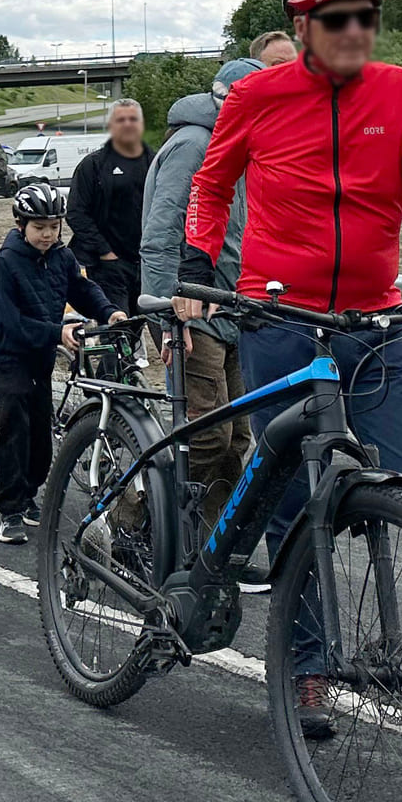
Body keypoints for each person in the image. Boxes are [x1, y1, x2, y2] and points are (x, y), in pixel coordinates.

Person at [179, 0, 402, 759]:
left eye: (368, 17)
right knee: (292, 504)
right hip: (280, 320)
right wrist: (197, 268)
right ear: (303, 26)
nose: (356, 33)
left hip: (374, 328)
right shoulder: (260, 96)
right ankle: (304, 665)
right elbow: (212, 185)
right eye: (338, 20)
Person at [142, 57, 266, 581]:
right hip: (192, 313)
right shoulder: (194, 146)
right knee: (205, 436)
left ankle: (215, 553)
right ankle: (129, 526)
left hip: (233, 308)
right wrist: (172, 317)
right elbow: (160, 235)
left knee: (238, 438)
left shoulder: (234, 145)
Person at [0, 183, 123, 545]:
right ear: (20, 225)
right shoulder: (6, 262)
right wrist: (58, 332)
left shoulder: (61, 256)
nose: (47, 234)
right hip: (8, 352)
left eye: (53, 226)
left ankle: (30, 491)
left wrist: (109, 311)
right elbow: (12, 324)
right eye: (38, 227)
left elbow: (82, 289)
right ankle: (10, 509)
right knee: (14, 418)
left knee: (40, 426)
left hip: (41, 351)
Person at [65, 97, 152, 314]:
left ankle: (134, 347)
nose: (127, 124)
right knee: (116, 324)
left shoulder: (155, 162)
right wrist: (104, 251)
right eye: (120, 119)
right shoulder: (92, 166)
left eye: (133, 119)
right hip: (108, 264)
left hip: (145, 262)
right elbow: (76, 213)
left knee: (140, 324)